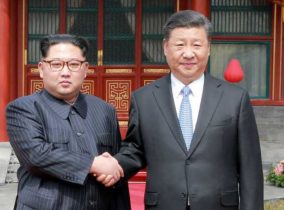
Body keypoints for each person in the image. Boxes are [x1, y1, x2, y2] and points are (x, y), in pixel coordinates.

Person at [100, 10, 264, 210]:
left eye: (196, 45)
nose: (188, 53)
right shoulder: (144, 98)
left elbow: (251, 168)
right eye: (179, 45)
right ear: (166, 48)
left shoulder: (235, 99)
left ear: (209, 48)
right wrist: (114, 166)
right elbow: (136, 149)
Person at [6, 34, 130, 210]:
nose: (65, 72)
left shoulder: (105, 110)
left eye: (74, 64)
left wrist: (112, 174)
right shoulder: (23, 109)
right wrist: (93, 164)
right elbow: (36, 156)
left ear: (85, 69)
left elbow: (114, 168)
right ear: (41, 68)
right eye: (56, 64)